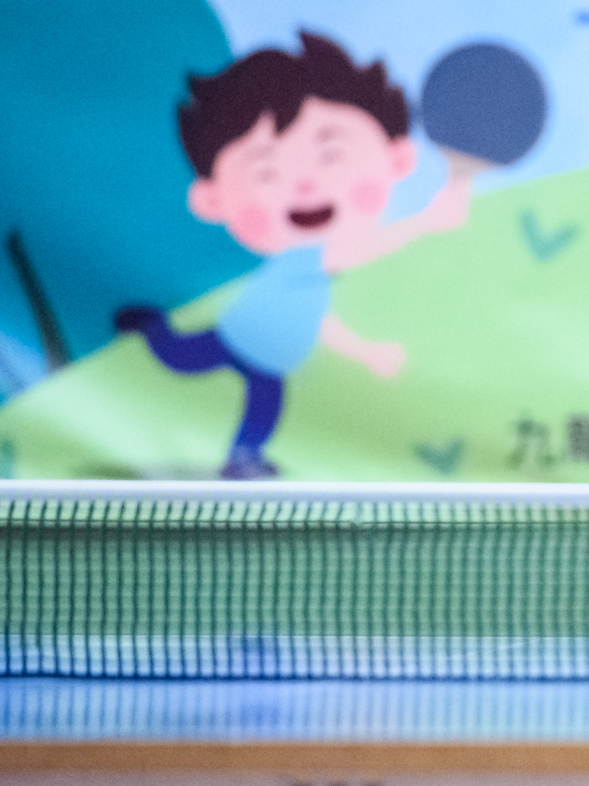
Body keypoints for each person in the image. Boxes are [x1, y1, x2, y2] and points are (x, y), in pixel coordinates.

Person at [116, 32, 472, 478]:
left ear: (396, 159)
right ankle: (152, 326)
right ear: (211, 199)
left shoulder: (312, 278)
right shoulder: (304, 259)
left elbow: (320, 320)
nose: (305, 185)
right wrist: (423, 224)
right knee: (179, 358)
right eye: (266, 172)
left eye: (331, 155)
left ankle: (241, 460)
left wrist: (365, 351)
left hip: (272, 353)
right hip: (244, 337)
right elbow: (356, 252)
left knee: (260, 404)